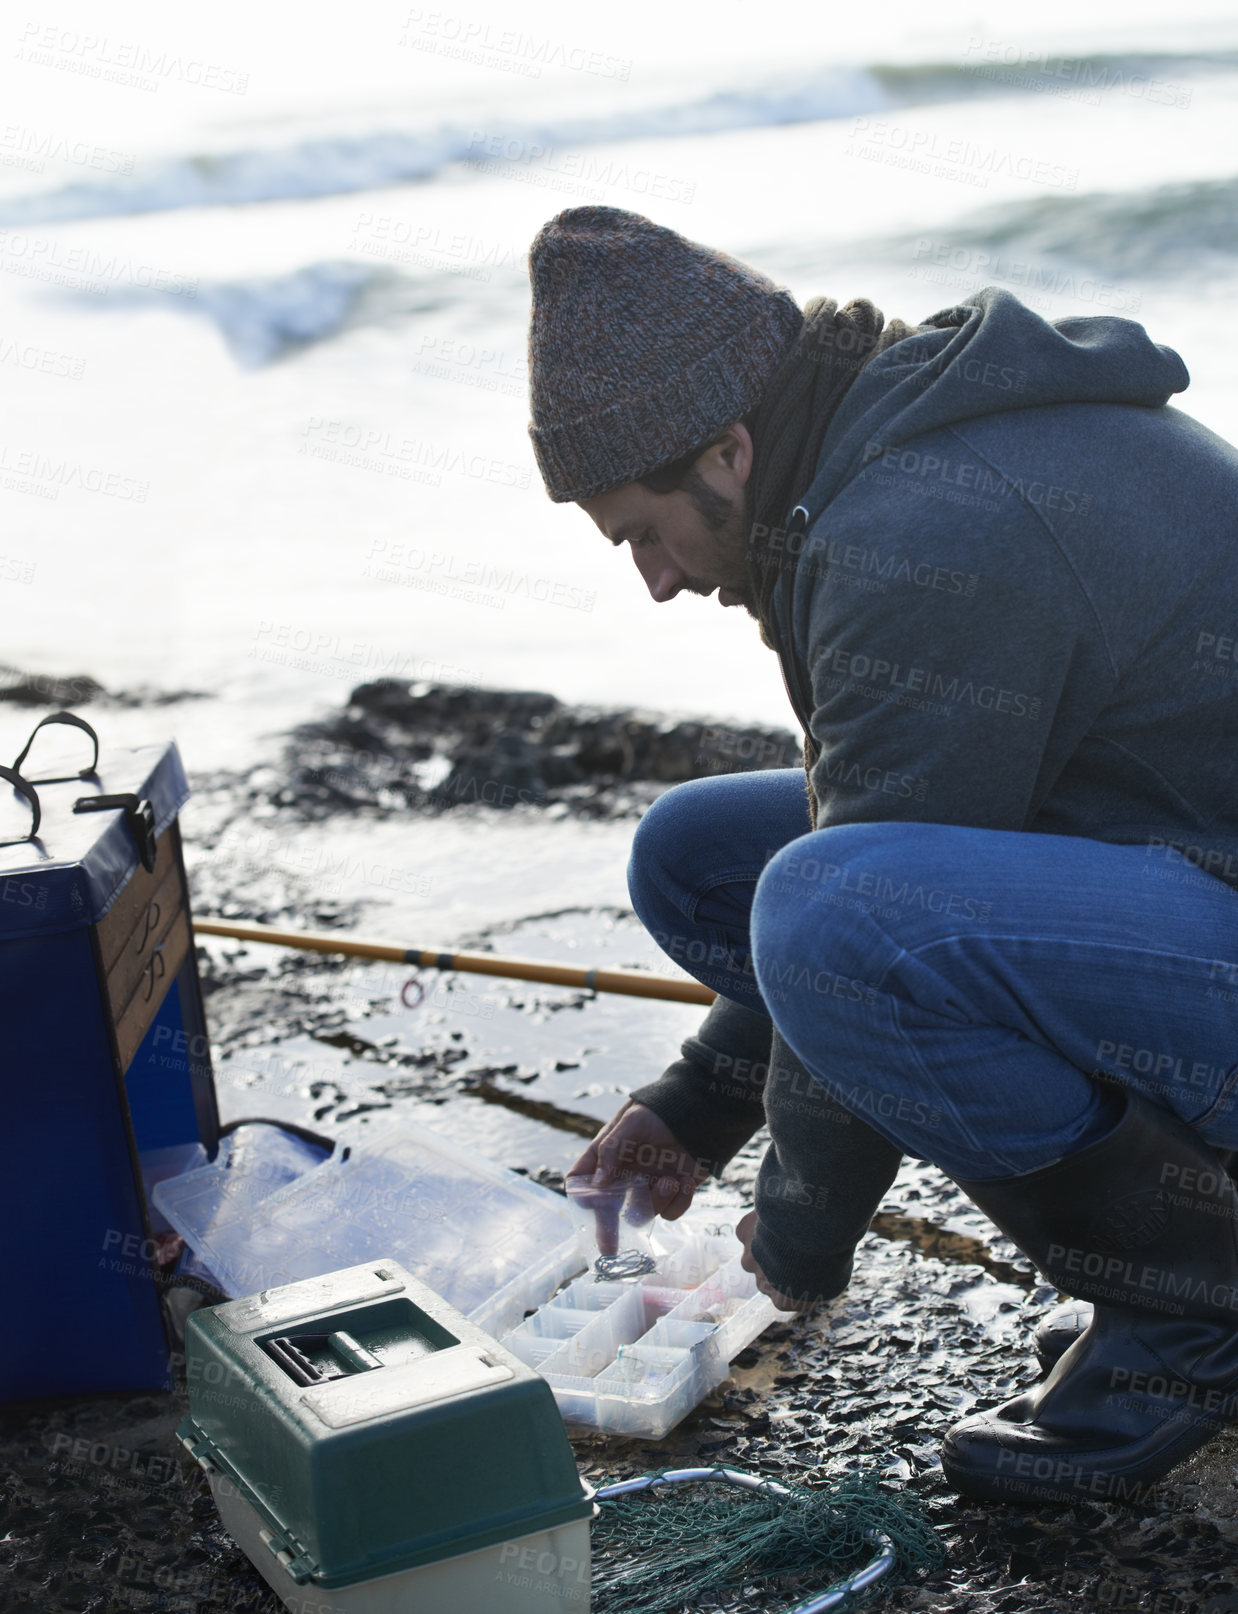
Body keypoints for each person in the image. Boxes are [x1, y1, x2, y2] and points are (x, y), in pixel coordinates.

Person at [523, 204, 1238, 1506]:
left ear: (727, 450)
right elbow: (872, 835)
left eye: (641, 532)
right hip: (1182, 882)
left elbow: (853, 923)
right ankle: (1184, 1233)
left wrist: (795, 1238)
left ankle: (1194, 1309)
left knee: (825, 911)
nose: (657, 583)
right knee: (700, 858)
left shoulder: (922, 529)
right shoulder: (869, 462)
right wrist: (699, 1101)